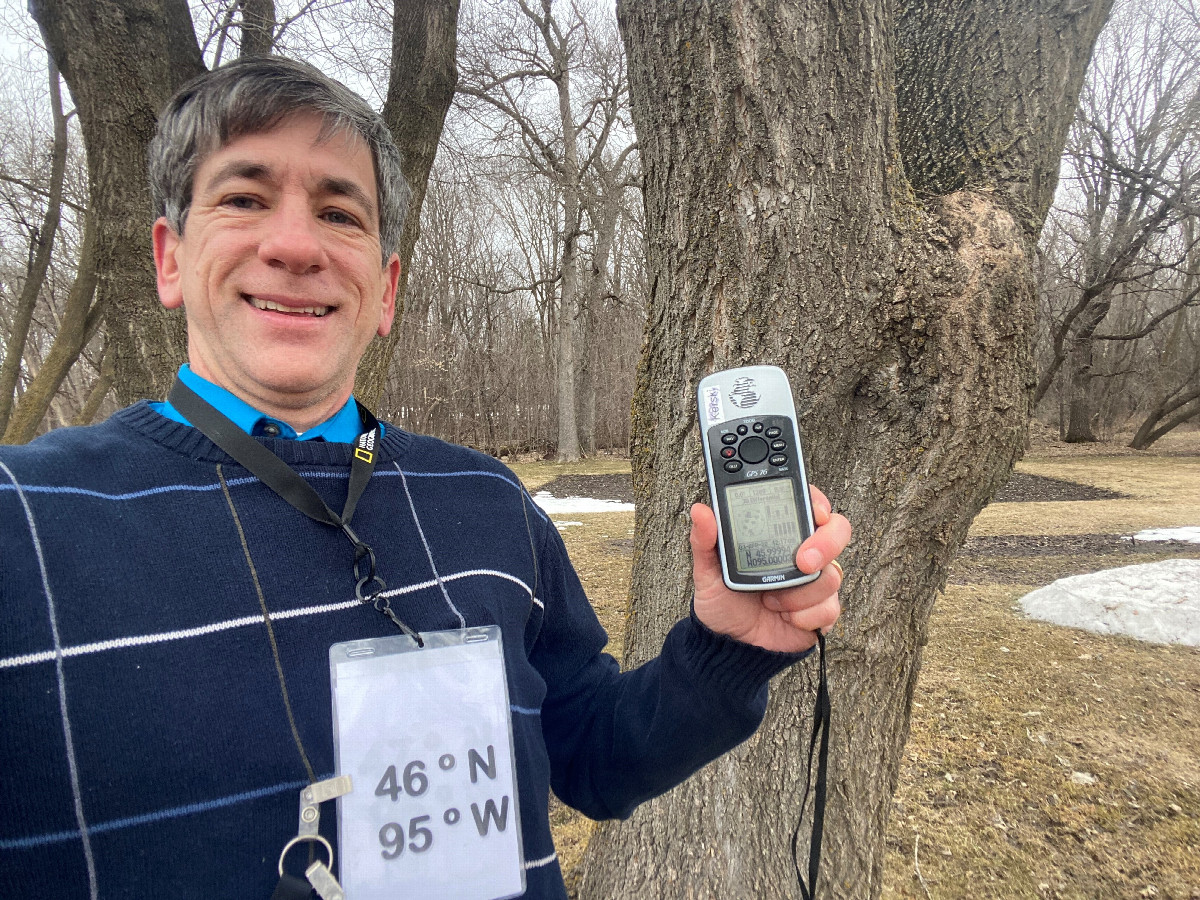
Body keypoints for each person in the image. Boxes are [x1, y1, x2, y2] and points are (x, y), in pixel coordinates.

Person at [0, 56, 849, 899]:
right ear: (170, 259)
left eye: (339, 212)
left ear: (388, 287)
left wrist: (732, 648)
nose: (295, 245)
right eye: (245, 198)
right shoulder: (24, 521)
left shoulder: (488, 502)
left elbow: (594, 757)